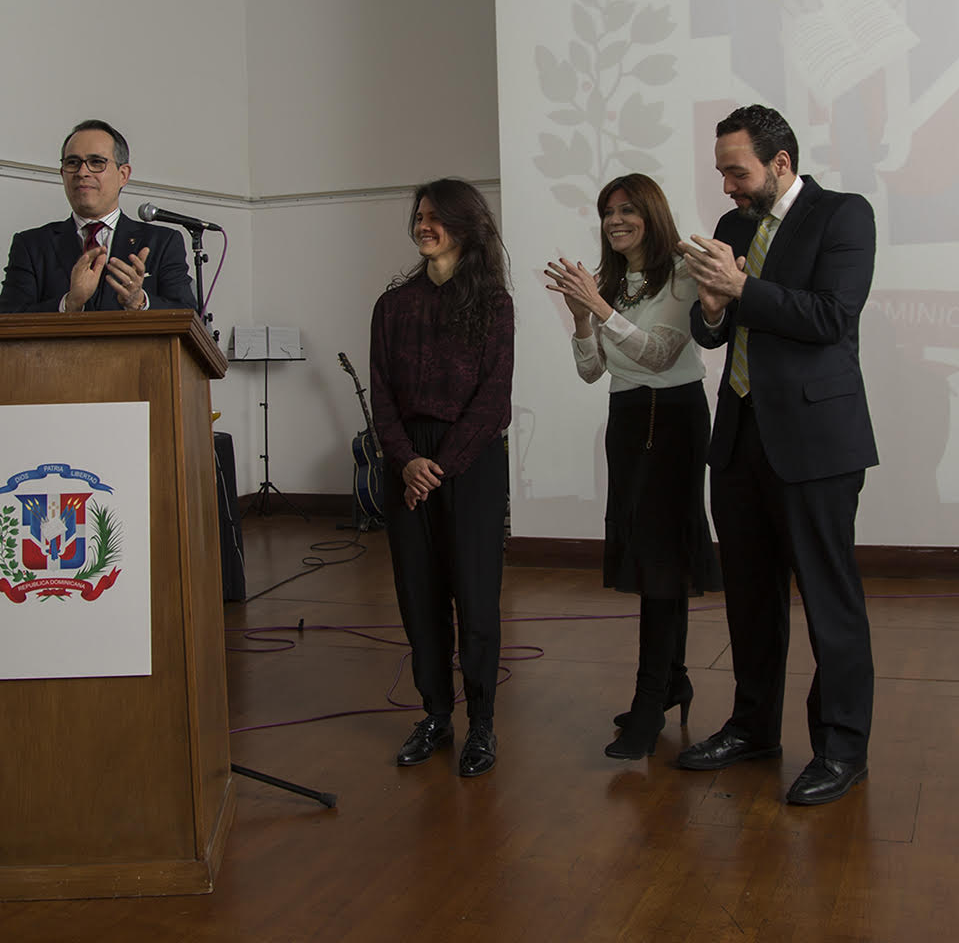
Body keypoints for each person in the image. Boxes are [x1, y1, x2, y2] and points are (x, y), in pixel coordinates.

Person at [679, 104, 877, 806]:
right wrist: (710, 307)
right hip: (738, 439)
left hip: (817, 444)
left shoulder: (844, 216)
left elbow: (830, 317)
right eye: (721, 173)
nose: (727, 187)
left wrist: (742, 290)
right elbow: (716, 335)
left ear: (781, 164)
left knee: (830, 601)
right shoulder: (734, 229)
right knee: (750, 598)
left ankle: (841, 748)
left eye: (736, 172)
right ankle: (753, 727)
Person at [544, 174, 721, 760]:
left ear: (650, 213)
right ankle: (672, 682)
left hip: (672, 419)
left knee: (662, 562)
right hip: (626, 421)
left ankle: (649, 704)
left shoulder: (681, 272)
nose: (614, 220)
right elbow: (594, 372)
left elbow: (659, 353)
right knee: (651, 557)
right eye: (606, 212)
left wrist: (598, 306)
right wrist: (580, 318)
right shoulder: (614, 283)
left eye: (626, 210)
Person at [370, 178, 514, 778]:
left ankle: (481, 724)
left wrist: (437, 470)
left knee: (476, 598)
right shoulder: (393, 305)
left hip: (470, 462)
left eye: (436, 217)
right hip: (407, 462)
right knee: (419, 597)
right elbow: (381, 395)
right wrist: (406, 461)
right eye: (420, 216)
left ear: (466, 224)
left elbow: (494, 401)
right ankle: (435, 713)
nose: (424, 225)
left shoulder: (493, 303)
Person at [0, 119, 198, 314]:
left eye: (96, 162)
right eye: (73, 162)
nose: (82, 172)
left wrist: (139, 302)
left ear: (123, 175)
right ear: (62, 173)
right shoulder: (32, 245)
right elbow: (8, 320)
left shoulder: (161, 242)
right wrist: (69, 304)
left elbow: (188, 315)